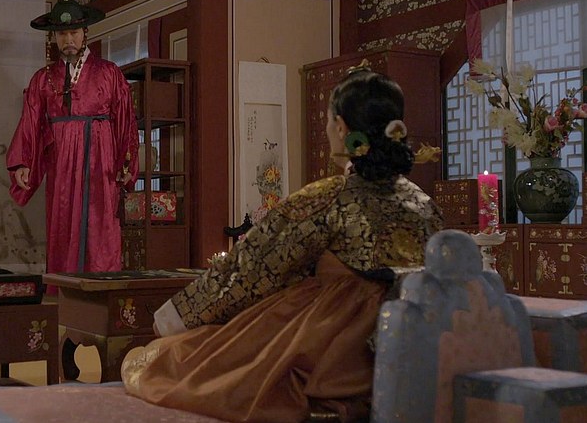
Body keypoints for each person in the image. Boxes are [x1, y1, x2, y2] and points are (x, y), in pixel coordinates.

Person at [121, 68, 444, 422]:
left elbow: (252, 267)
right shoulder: (423, 203)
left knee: (174, 360)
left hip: (342, 343)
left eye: (328, 120)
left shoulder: (330, 196)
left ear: (340, 127)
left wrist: (176, 318)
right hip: (424, 341)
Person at [6, 0, 139, 286]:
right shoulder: (42, 79)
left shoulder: (109, 73)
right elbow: (31, 122)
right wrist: (23, 162)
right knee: (63, 220)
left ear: (85, 33)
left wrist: (126, 161)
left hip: (101, 159)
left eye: (74, 32)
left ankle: (102, 288)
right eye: (62, 34)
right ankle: (64, 291)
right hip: (62, 161)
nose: (68, 40)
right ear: (54, 37)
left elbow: (125, 120)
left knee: (100, 224)